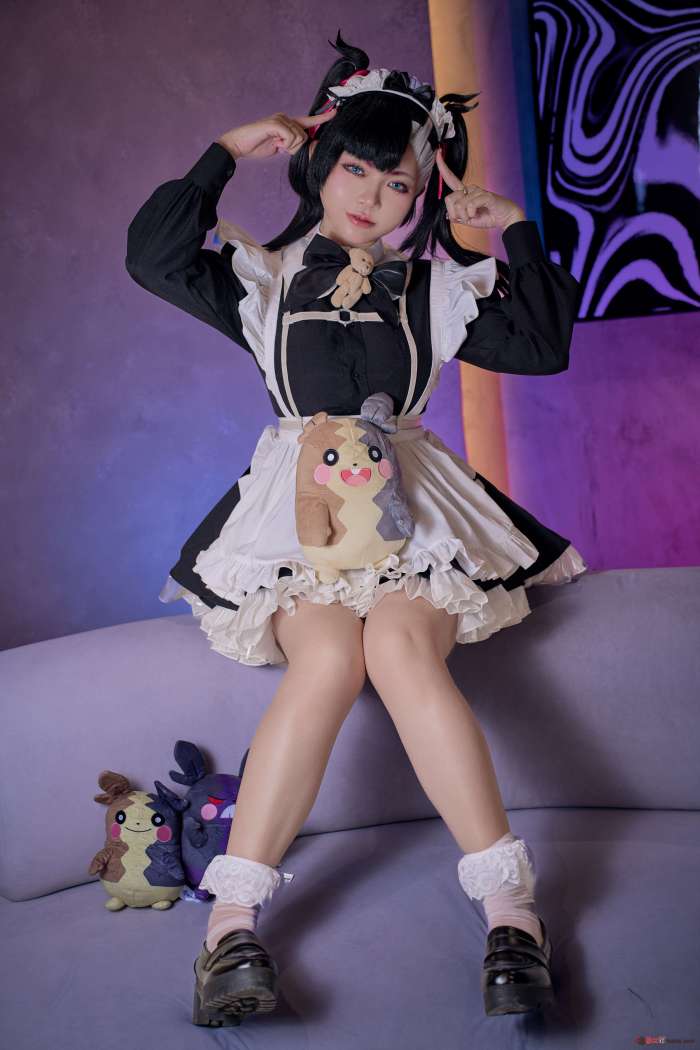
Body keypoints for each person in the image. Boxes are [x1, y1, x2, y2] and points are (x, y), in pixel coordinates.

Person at [125, 30, 587, 1026]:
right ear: (321, 165)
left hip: (413, 510)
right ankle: (229, 932)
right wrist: (225, 150)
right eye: (357, 168)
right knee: (330, 657)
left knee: (400, 652)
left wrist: (513, 229)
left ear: (418, 199)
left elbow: (544, 343)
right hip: (301, 516)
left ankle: (514, 917)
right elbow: (153, 256)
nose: (373, 194)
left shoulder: (432, 288)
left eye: (398, 182)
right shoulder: (263, 278)